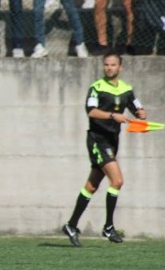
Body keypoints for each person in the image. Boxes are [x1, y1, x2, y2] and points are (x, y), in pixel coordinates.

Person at [62, 52, 147, 247]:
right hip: (97, 140)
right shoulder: (97, 88)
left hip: (112, 140)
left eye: (113, 65)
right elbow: (91, 111)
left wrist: (141, 114)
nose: (109, 68)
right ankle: (108, 227)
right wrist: (112, 116)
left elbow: (137, 107)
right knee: (117, 181)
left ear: (120, 67)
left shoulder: (127, 89)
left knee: (91, 186)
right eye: (106, 65)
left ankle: (71, 225)